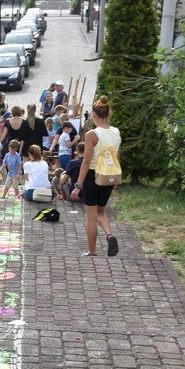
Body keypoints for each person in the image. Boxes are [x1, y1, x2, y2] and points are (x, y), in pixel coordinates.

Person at [70, 95, 121, 256]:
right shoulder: (116, 132)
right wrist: (116, 177)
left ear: (94, 114)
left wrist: (78, 185)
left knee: (91, 217)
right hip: (108, 175)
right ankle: (109, 234)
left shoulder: (92, 134)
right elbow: (116, 156)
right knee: (101, 212)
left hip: (92, 177)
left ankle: (92, 251)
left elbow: (86, 162)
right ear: (108, 113)